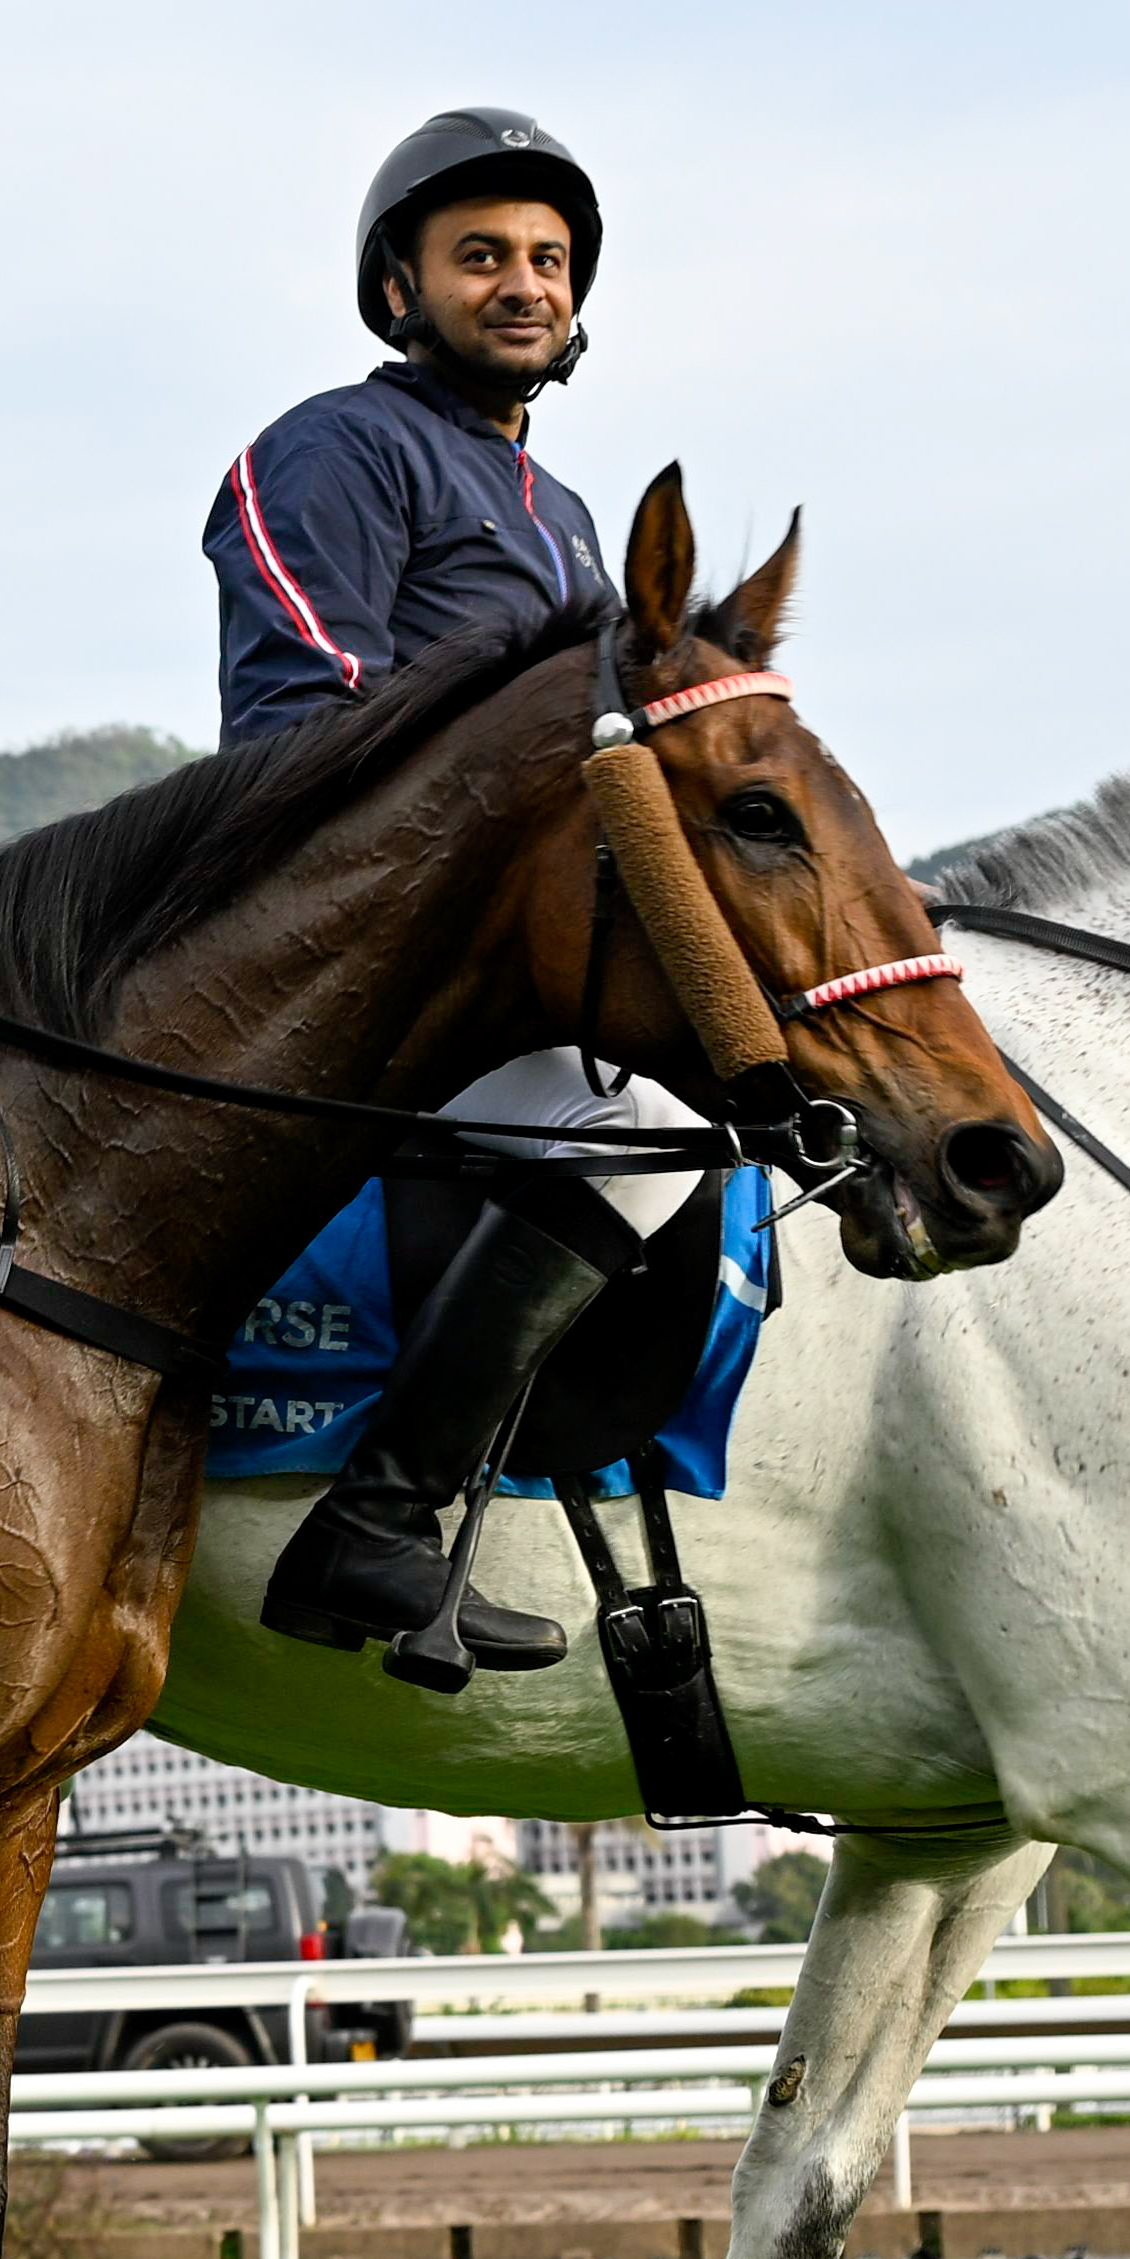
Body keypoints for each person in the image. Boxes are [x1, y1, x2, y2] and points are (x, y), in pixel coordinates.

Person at [203, 109, 712, 1685]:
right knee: (633, 1126)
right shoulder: (328, 450)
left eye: (549, 262)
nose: (523, 285)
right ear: (398, 287)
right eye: (482, 255)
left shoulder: (565, 522)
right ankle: (386, 1515)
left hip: (520, 952)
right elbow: (304, 722)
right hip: (369, 946)